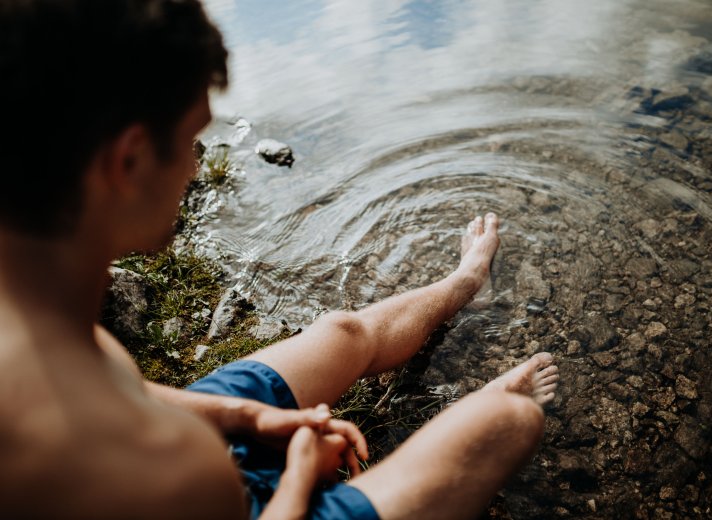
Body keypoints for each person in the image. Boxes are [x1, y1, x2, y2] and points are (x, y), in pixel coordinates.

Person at [0, 1, 559, 519]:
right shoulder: (179, 468)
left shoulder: (34, 311)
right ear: (129, 161)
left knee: (341, 331)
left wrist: (251, 417)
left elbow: (119, 389)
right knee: (508, 421)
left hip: (164, 435)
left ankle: (465, 280)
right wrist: (299, 472)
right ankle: (478, 413)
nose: (194, 171)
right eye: (192, 140)